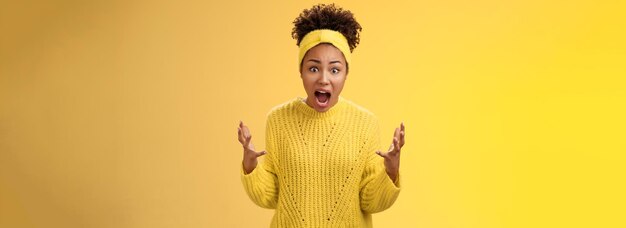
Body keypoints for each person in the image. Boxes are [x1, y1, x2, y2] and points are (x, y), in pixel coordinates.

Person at [237, 3, 406, 227]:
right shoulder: (278, 120)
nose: (323, 79)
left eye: (334, 69)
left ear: (346, 74)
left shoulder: (365, 123)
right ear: (301, 70)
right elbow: (272, 196)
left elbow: (369, 201)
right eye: (314, 68)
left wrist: (391, 172)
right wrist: (250, 167)